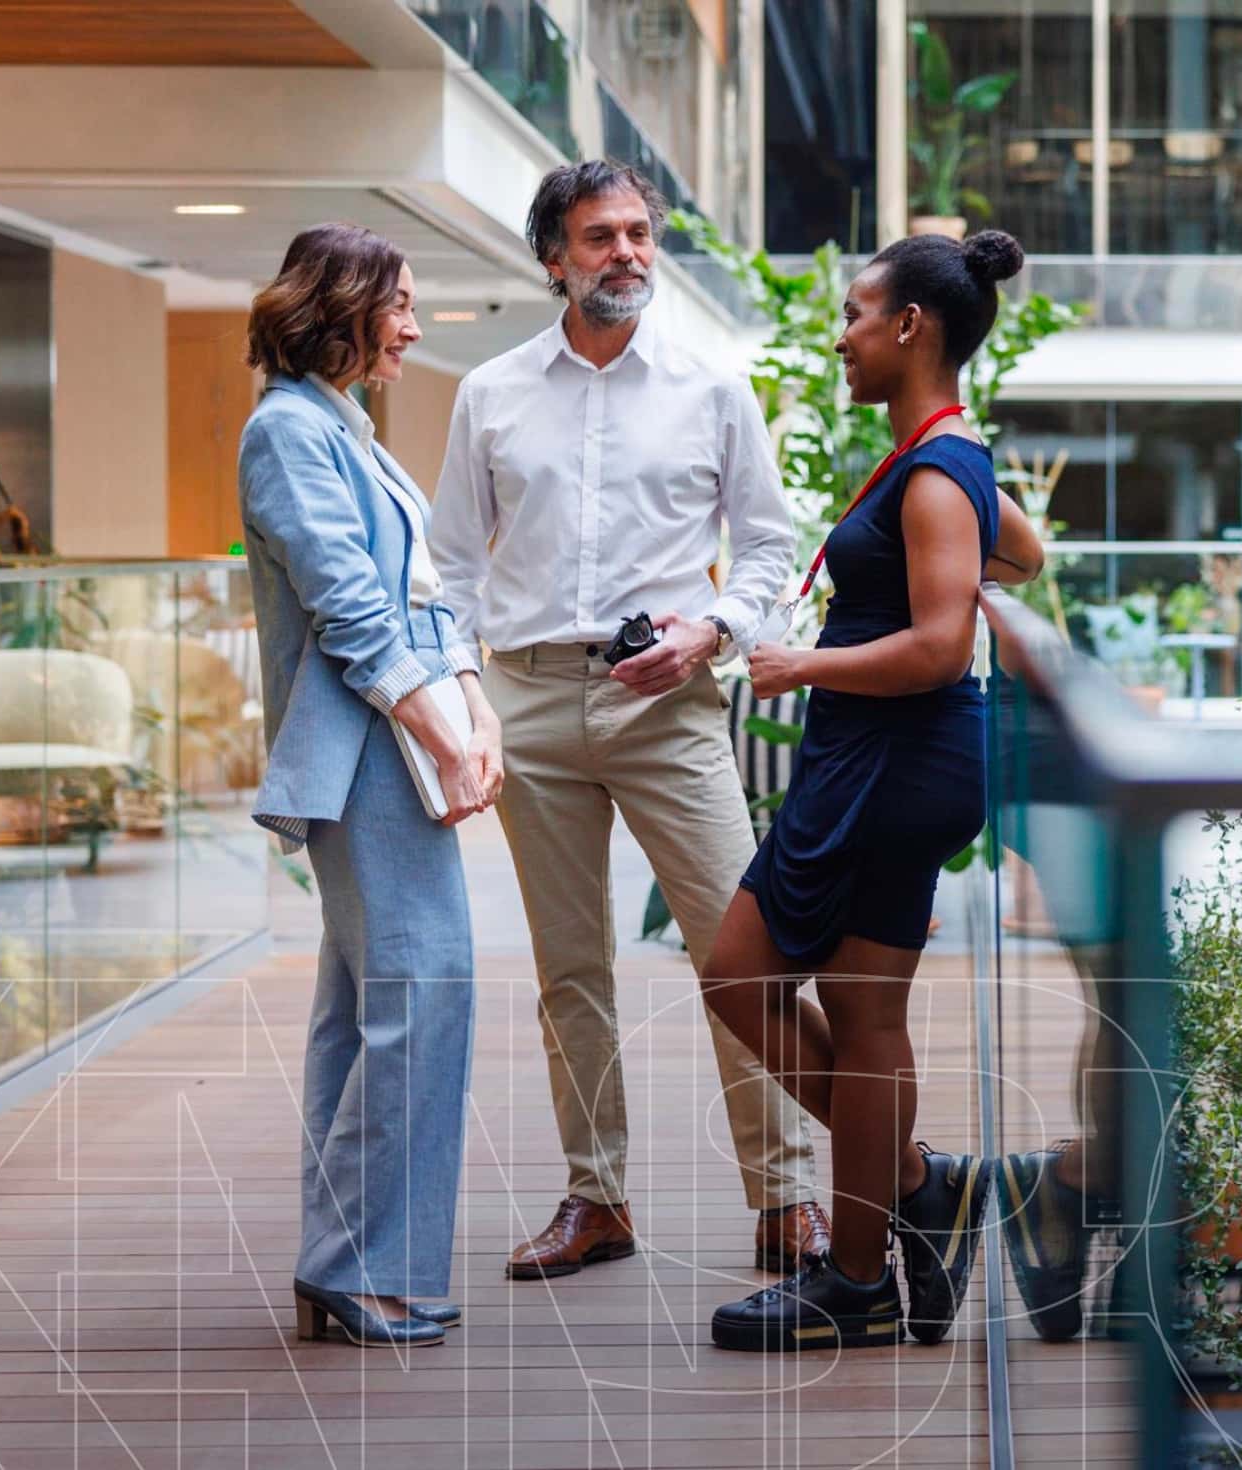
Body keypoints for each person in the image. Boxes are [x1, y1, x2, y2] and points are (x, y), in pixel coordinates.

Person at [428, 160, 828, 1282]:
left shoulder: (711, 388)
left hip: (673, 707)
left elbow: (764, 549)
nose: (628, 255)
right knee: (570, 971)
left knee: (740, 957)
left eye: (640, 234)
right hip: (533, 697)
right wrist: (470, 699)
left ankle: (789, 1200)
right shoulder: (491, 393)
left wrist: (712, 632)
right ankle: (596, 1200)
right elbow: (451, 566)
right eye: (599, 237)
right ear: (553, 257)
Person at [701, 228, 1048, 1353]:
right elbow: (1027, 558)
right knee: (851, 1012)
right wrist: (959, 484)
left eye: (857, 314)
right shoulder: (944, 454)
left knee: (744, 978)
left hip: (895, 762)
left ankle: (858, 1271)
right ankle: (910, 1190)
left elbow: (944, 645)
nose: (841, 336)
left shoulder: (938, 468)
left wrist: (802, 663)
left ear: (910, 328)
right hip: (886, 761)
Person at [238, 223, 501, 1348]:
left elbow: (424, 591)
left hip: (386, 749)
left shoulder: (343, 426)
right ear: (338, 306)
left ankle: (348, 1262)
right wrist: (446, 736)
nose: (411, 323)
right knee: (420, 998)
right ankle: (357, 1267)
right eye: (397, 303)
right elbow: (352, 611)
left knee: (367, 1013)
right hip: (364, 759)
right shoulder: (288, 432)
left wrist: (473, 701)